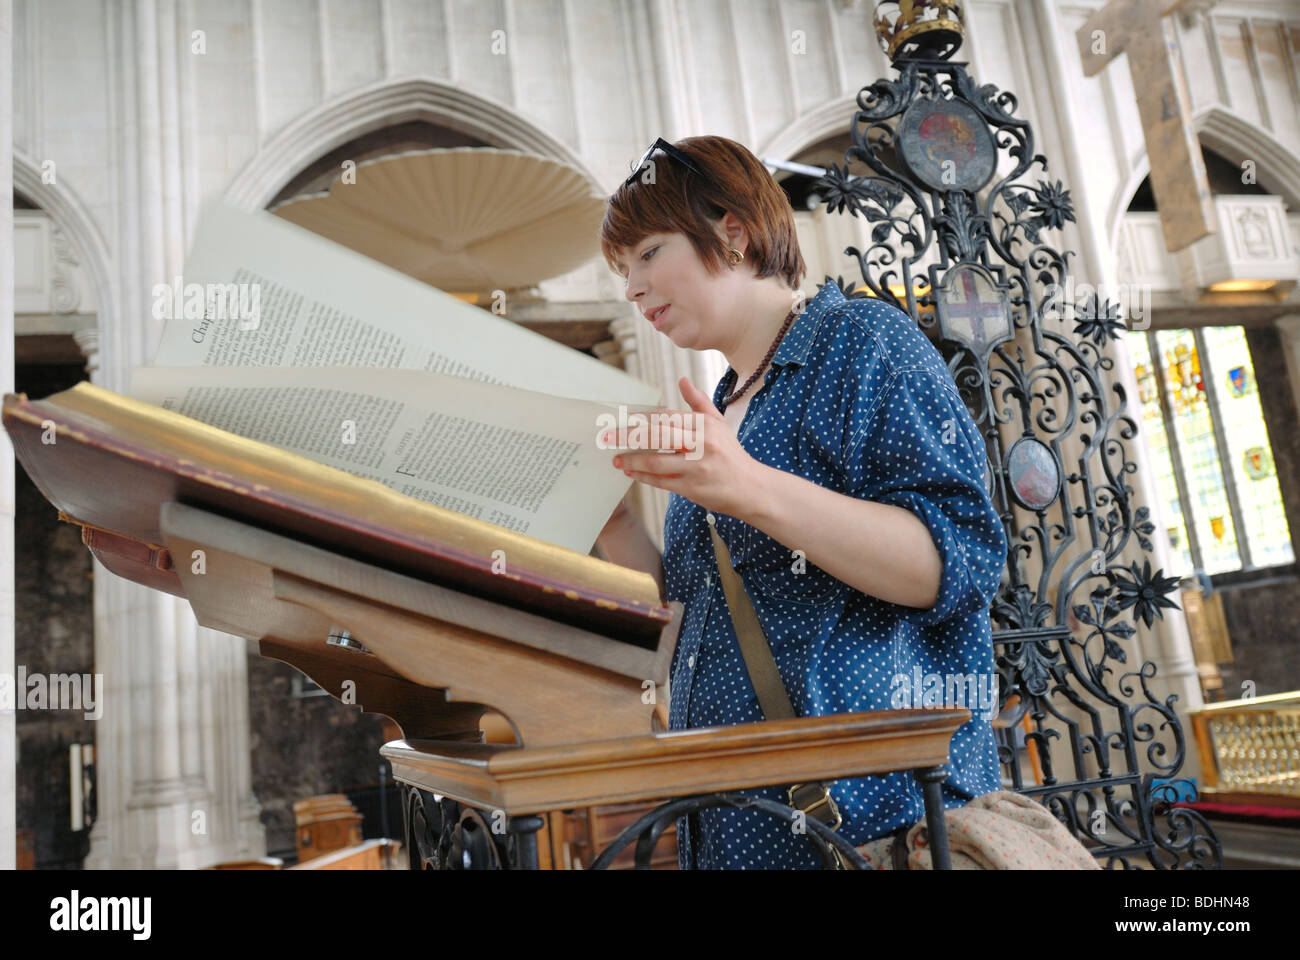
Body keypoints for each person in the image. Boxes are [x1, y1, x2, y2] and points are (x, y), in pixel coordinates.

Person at [595, 135, 1007, 869]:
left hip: (865, 825)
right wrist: (613, 519)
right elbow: (687, 627)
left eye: (648, 253)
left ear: (734, 230)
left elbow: (958, 563)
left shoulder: (861, 342)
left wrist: (750, 488)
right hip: (734, 826)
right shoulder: (721, 408)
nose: (631, 288)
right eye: (623, 271)